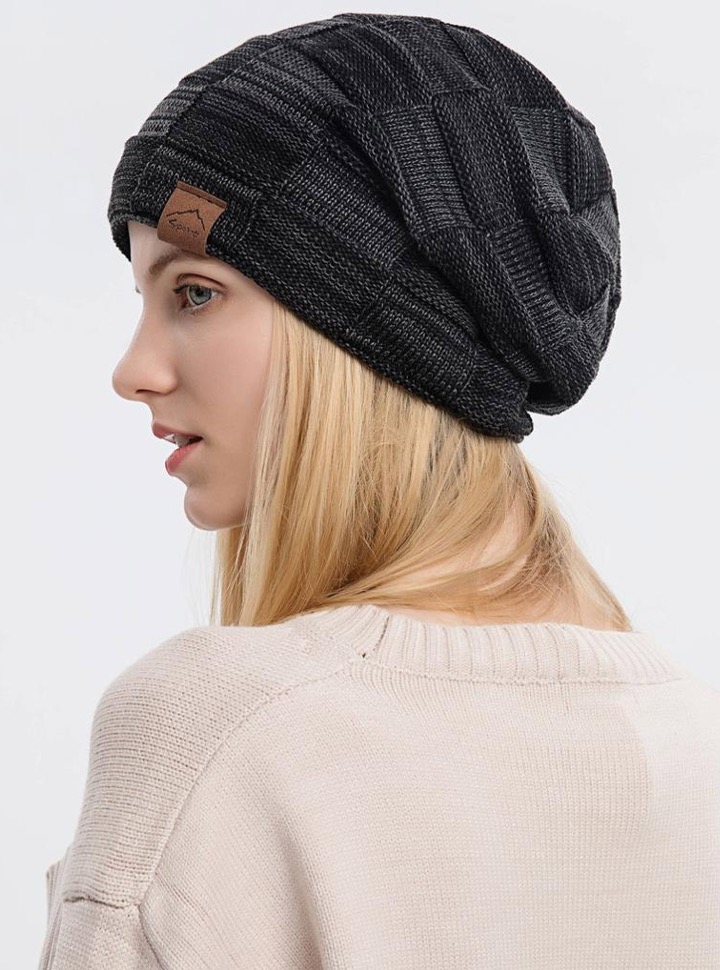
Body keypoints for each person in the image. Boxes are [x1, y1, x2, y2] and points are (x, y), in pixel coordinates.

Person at [37, 13, 720, 969]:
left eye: (194, 291)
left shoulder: (215, 731)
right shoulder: (696, 743)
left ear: (373, 334)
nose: (134, 371)